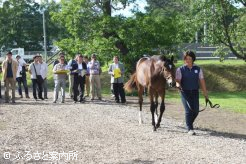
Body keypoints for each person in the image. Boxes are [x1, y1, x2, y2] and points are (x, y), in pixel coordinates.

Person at [176, 50, 209, 135]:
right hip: (184, 92)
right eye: (186, 58)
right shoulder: (180, 69)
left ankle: (188, 123)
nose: (187, 60)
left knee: (196, 111)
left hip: (195, 92)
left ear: (193, 59)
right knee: (188, 111)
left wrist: (206, 94)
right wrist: (177, 84)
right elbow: (177, 81)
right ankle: (189, 128)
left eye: (189, 58)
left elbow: (202, 82)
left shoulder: (198, 69)